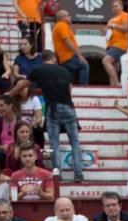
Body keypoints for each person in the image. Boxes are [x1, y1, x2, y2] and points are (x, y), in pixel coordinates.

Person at [28, 50, 83, 183]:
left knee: (54, 143)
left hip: (53, 107)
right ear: (54, 59)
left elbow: (26, 84)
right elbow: (69, 92)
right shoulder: (65, 71)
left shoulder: (39, 70)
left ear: (43, 60)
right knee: (75, 142)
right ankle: (78, 174)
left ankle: (58, 175)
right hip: (69, 108)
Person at [52, 10, 88, 85]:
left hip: (65, 57)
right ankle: (84, 88)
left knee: (68, 77)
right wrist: (79, 55)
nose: (70, 17)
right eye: (68, 16)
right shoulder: (62, 25)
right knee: (84, 65)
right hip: (67, 56)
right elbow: (67, 41)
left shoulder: (60, 26)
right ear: (63, 17)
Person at [102, 0, 128, 88]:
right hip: (111, 44)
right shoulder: (111, 19)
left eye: (116, 6)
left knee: (106, 61)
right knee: (112, 66)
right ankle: (113, 86)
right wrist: (106, 30)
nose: (114, 8)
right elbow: (109, 30)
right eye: (113, 6)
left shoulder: (125, 15)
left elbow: (126, 28)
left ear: (121, 7)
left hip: (120, 44)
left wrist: (114, 26)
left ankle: (117, 83)